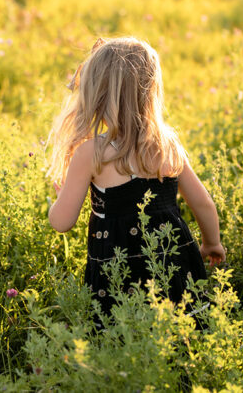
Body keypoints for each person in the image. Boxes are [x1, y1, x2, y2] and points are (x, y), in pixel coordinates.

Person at [46, 37, 225, 315]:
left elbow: (62, 222)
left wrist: (59, 200)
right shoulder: (167, 145)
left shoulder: (92, 153)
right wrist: (211, 243)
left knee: (120, 333)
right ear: (151, 91)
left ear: (96, 94)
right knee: (181, 328)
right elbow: (203, 203)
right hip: (171, 260)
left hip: (118, 270)